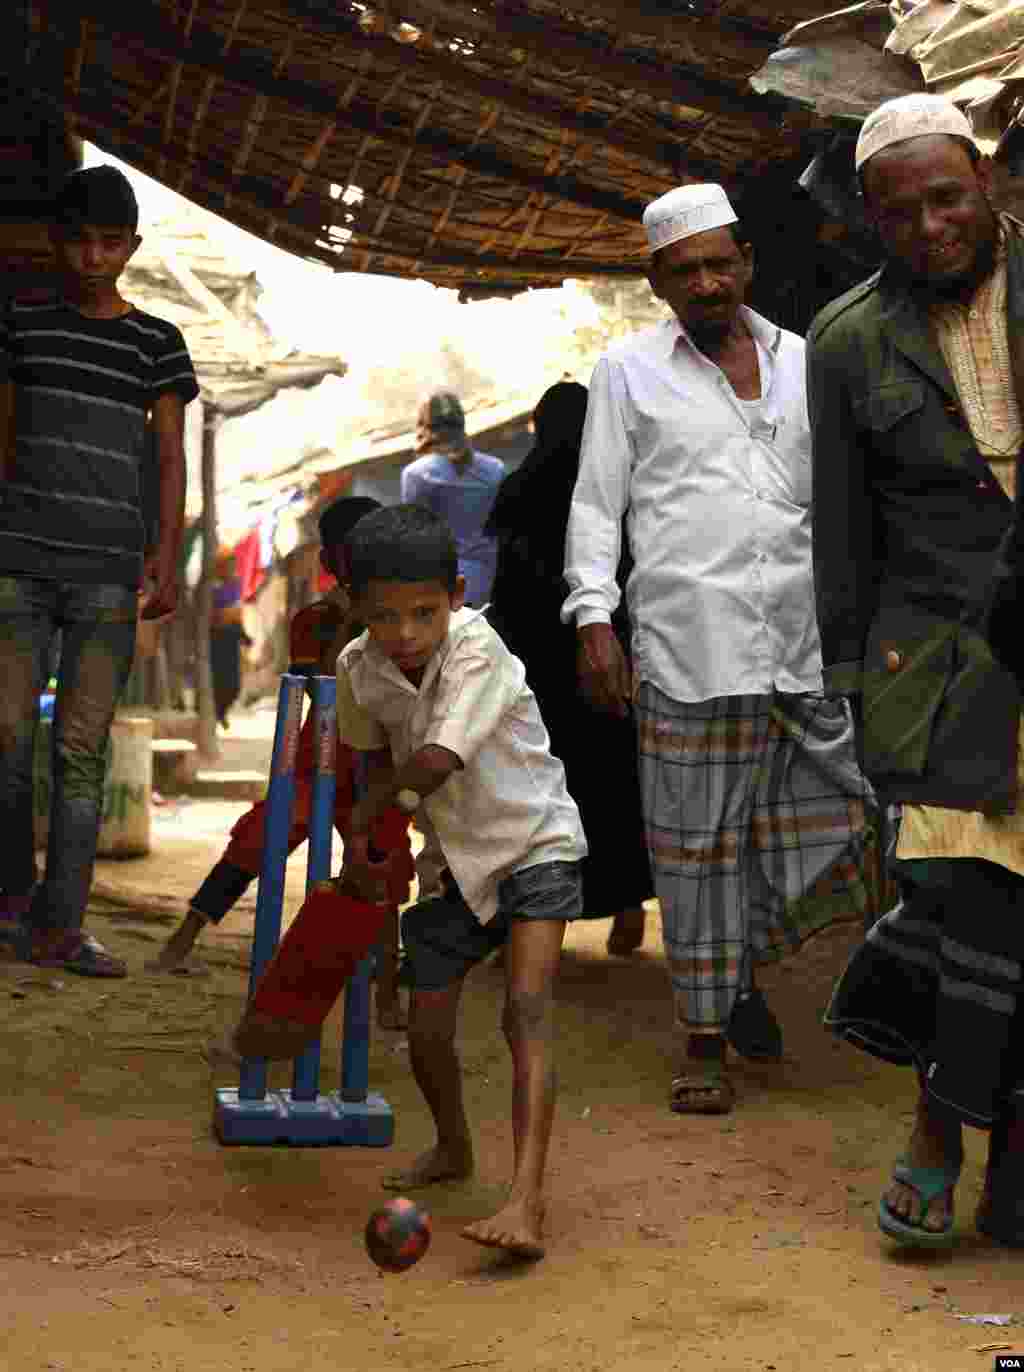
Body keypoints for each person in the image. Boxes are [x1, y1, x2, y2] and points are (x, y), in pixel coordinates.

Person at [563, 183, 871, 1116]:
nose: (705, 282)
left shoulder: (806, 361)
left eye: (718, 263)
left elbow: (838, 505)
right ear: (657, 281)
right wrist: (593, 618)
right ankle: (705, 1032)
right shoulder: (626, 371)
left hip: (799, 646)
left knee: (846, 815)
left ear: (745, 260)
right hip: (689, 650)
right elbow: (595, 502)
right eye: (683, 270)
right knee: (694, 851)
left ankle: (735, 975)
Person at [810, 93, 1024, 1250]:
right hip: (934, 669)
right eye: (899, 212)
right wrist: (855, 699)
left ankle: (1010, 1163)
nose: (930, 225)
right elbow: (840, 539)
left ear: (984, 181)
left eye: (946, 196)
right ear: (869, 224)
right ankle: (936, 1133)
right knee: (949, 912)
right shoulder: (847, 341)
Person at [335, 504, 587, 1260]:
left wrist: (369, 820)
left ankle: (525, 1201)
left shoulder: (478, 649)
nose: (406, 633)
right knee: (427, 1025)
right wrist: (369, 839)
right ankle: (452, 1147)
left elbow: (435, 761)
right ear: (356, 608)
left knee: (527, 1009)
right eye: (385, 616)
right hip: (453, 865)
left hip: (536, 844)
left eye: (423, 612)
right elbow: (375, 757)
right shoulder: (358, 668)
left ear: (457, 593)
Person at [0, 166, 197, 977]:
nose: (93, 257)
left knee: (79, 749)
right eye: (79, 240)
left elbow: (169, 453)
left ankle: (63, 926)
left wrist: (167, 555)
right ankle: (13, 907)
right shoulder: (21, 327)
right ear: (57, 243)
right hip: (17, 560)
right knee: (6, 739)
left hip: (109, 574)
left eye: (109, 242)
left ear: (132, 248)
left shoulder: (158, 343)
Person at [147, 496, 414, 1030]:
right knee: (259, 837)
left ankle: (386, 992)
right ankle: (187, 933)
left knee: (384, 863)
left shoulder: (402, 619)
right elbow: (320, 688)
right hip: (321, 758)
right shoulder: (313, 620)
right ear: (335, 562)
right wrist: (347, 622)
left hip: (380, 765)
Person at [485, 379, 653, 955]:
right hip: (601, 659)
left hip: (538, 676)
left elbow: (506, 592)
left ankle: (531, 923)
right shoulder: (615, 488)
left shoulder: (518, 490)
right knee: (613, 785)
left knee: (539, 794)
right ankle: (627, 904)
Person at [400, 389, 504, 606]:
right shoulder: (495, 469)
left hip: (445, 590)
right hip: (494, 585)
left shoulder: (416, 475)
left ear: (424, 426)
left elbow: (414, 540)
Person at [209, 548, 250, 730]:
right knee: (219, 682)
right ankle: (218, 713)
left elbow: (237, 613)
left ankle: (221, 712)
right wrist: (226, 615)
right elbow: (214, 616)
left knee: (234, 685)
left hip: (232, 638)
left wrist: (244, 635)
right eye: (227, 564)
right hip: (217, 639)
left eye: (232, 563)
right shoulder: (212, 586)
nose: (230, 567)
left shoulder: (235, 585)